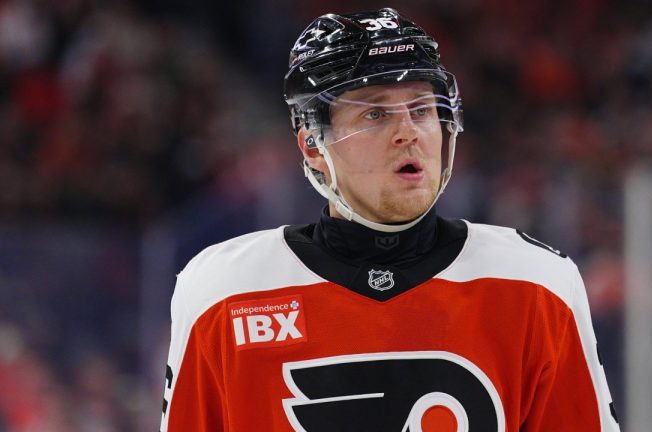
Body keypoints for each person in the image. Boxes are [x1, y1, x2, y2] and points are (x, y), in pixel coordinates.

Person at [160, 8, 620, 431]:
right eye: (376, 113)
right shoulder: (226, 293)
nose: (409, 133)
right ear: (312, 145)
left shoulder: (537, 285)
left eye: (422, 110)